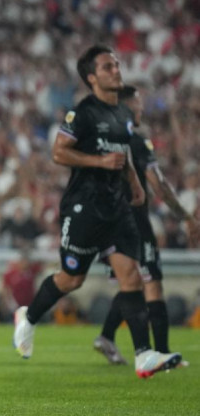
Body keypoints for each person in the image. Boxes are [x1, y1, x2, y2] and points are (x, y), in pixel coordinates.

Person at [12, 45, 182, 378]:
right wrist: (99, 161)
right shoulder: (83, 113)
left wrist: (132, 179)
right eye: (108, 67)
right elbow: (59, 153)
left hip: (116, 205)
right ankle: (28, 317)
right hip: (84, 207)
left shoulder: (122, 113)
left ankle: (144, 354)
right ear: (92, 78)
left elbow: (124, 154)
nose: (116, 70)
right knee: (72, 279)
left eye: (117, 64)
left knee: (130, 273)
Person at [93, 85, 200, 365]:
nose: (142, 108)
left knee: (133, 283)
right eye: (138, 103)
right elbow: (159, 186)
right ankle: (162, 353)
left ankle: (106, 336)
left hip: (110, 224)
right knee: (152, 285)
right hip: (135, 225)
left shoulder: (104, 141)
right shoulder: (136, 142)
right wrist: (187, 217)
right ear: (127, 107)